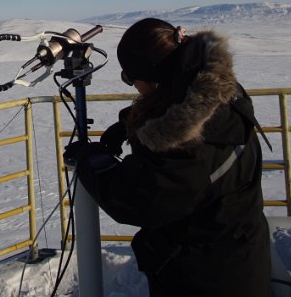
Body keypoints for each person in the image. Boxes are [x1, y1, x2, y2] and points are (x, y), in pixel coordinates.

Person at [63, 18, 271, 296]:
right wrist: (130, 125)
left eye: (132, 79)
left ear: (153, 78)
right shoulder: (217, 90)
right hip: (239, 258)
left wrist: (92, 160)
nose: (134, 86)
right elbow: (176, 101)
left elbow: (135, 200)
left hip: (205, 279)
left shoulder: (185, 148)